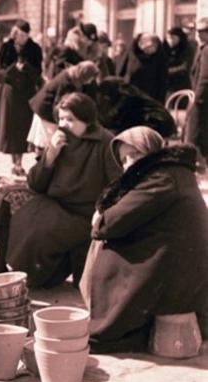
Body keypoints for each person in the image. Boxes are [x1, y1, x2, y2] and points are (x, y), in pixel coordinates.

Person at [81, 127, 208, 352]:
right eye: (124, 159)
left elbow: (109, 223)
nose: (129, 164)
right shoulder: (172, 172)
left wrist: (99, 219)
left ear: (152, 151)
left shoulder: (161, 178)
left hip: (175, 272)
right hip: (185, 268)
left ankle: (114, 327)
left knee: (105, 246)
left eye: (135, 155)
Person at [0, 93, 120, 288]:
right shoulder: (59, 138)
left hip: (82, 211)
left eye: (70, 119)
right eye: (61, 118)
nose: (64, 124)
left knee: (39, 229)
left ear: (87, 119)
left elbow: (116, 184)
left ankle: (33, 274)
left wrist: (102, 210)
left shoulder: (106, 142)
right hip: (54, 202)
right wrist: (50, 156)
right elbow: (35, 183)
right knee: (10, 198)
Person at [0, 20, 42, 175]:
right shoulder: (6, 47)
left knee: (24, 126)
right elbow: (0, 72)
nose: (24, 38)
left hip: (26, 92)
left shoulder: (34, 48)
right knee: (12, 127)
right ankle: (15, 163)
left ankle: (20, 162)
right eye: (21, 35)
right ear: (15, 33)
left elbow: (38, 72)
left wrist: (26, 68)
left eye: (26, 35)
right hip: (11, 91)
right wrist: (14, 69)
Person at [28, 60, 99, 152]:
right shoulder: (67, 83)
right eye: (90, 78)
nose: (90, 82)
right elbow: (60, 105)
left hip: (45, 107)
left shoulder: (70, 75)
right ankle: (43, 163)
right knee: (48, 142)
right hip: (45, 109)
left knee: (48, 142)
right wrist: (61, 123)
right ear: (84, 75)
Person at [116, 32, 168, 104]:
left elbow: (162, 81)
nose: (148, 50)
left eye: (151, 47)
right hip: (130, 94)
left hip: (150, 97)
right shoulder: (132, 53)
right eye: (145, 47)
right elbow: (121, 72)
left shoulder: (159, 57)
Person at [186, 17, 208, 171]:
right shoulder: (202, 48)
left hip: (202, 100)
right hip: (202, 99)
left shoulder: (206, 50)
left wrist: (196, 100)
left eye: (203, 31)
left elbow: (204, 78)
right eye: (197, 31)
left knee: (193, 137)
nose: (199, 34)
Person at [163, 26, 195, 95]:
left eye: (173, 38)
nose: (170, 40)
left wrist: (168, 70)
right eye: (169, 38)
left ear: (180, 38)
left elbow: (185, 67)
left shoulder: (186, 49)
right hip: (167, 86)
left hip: (181, 85)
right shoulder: (164, 49)